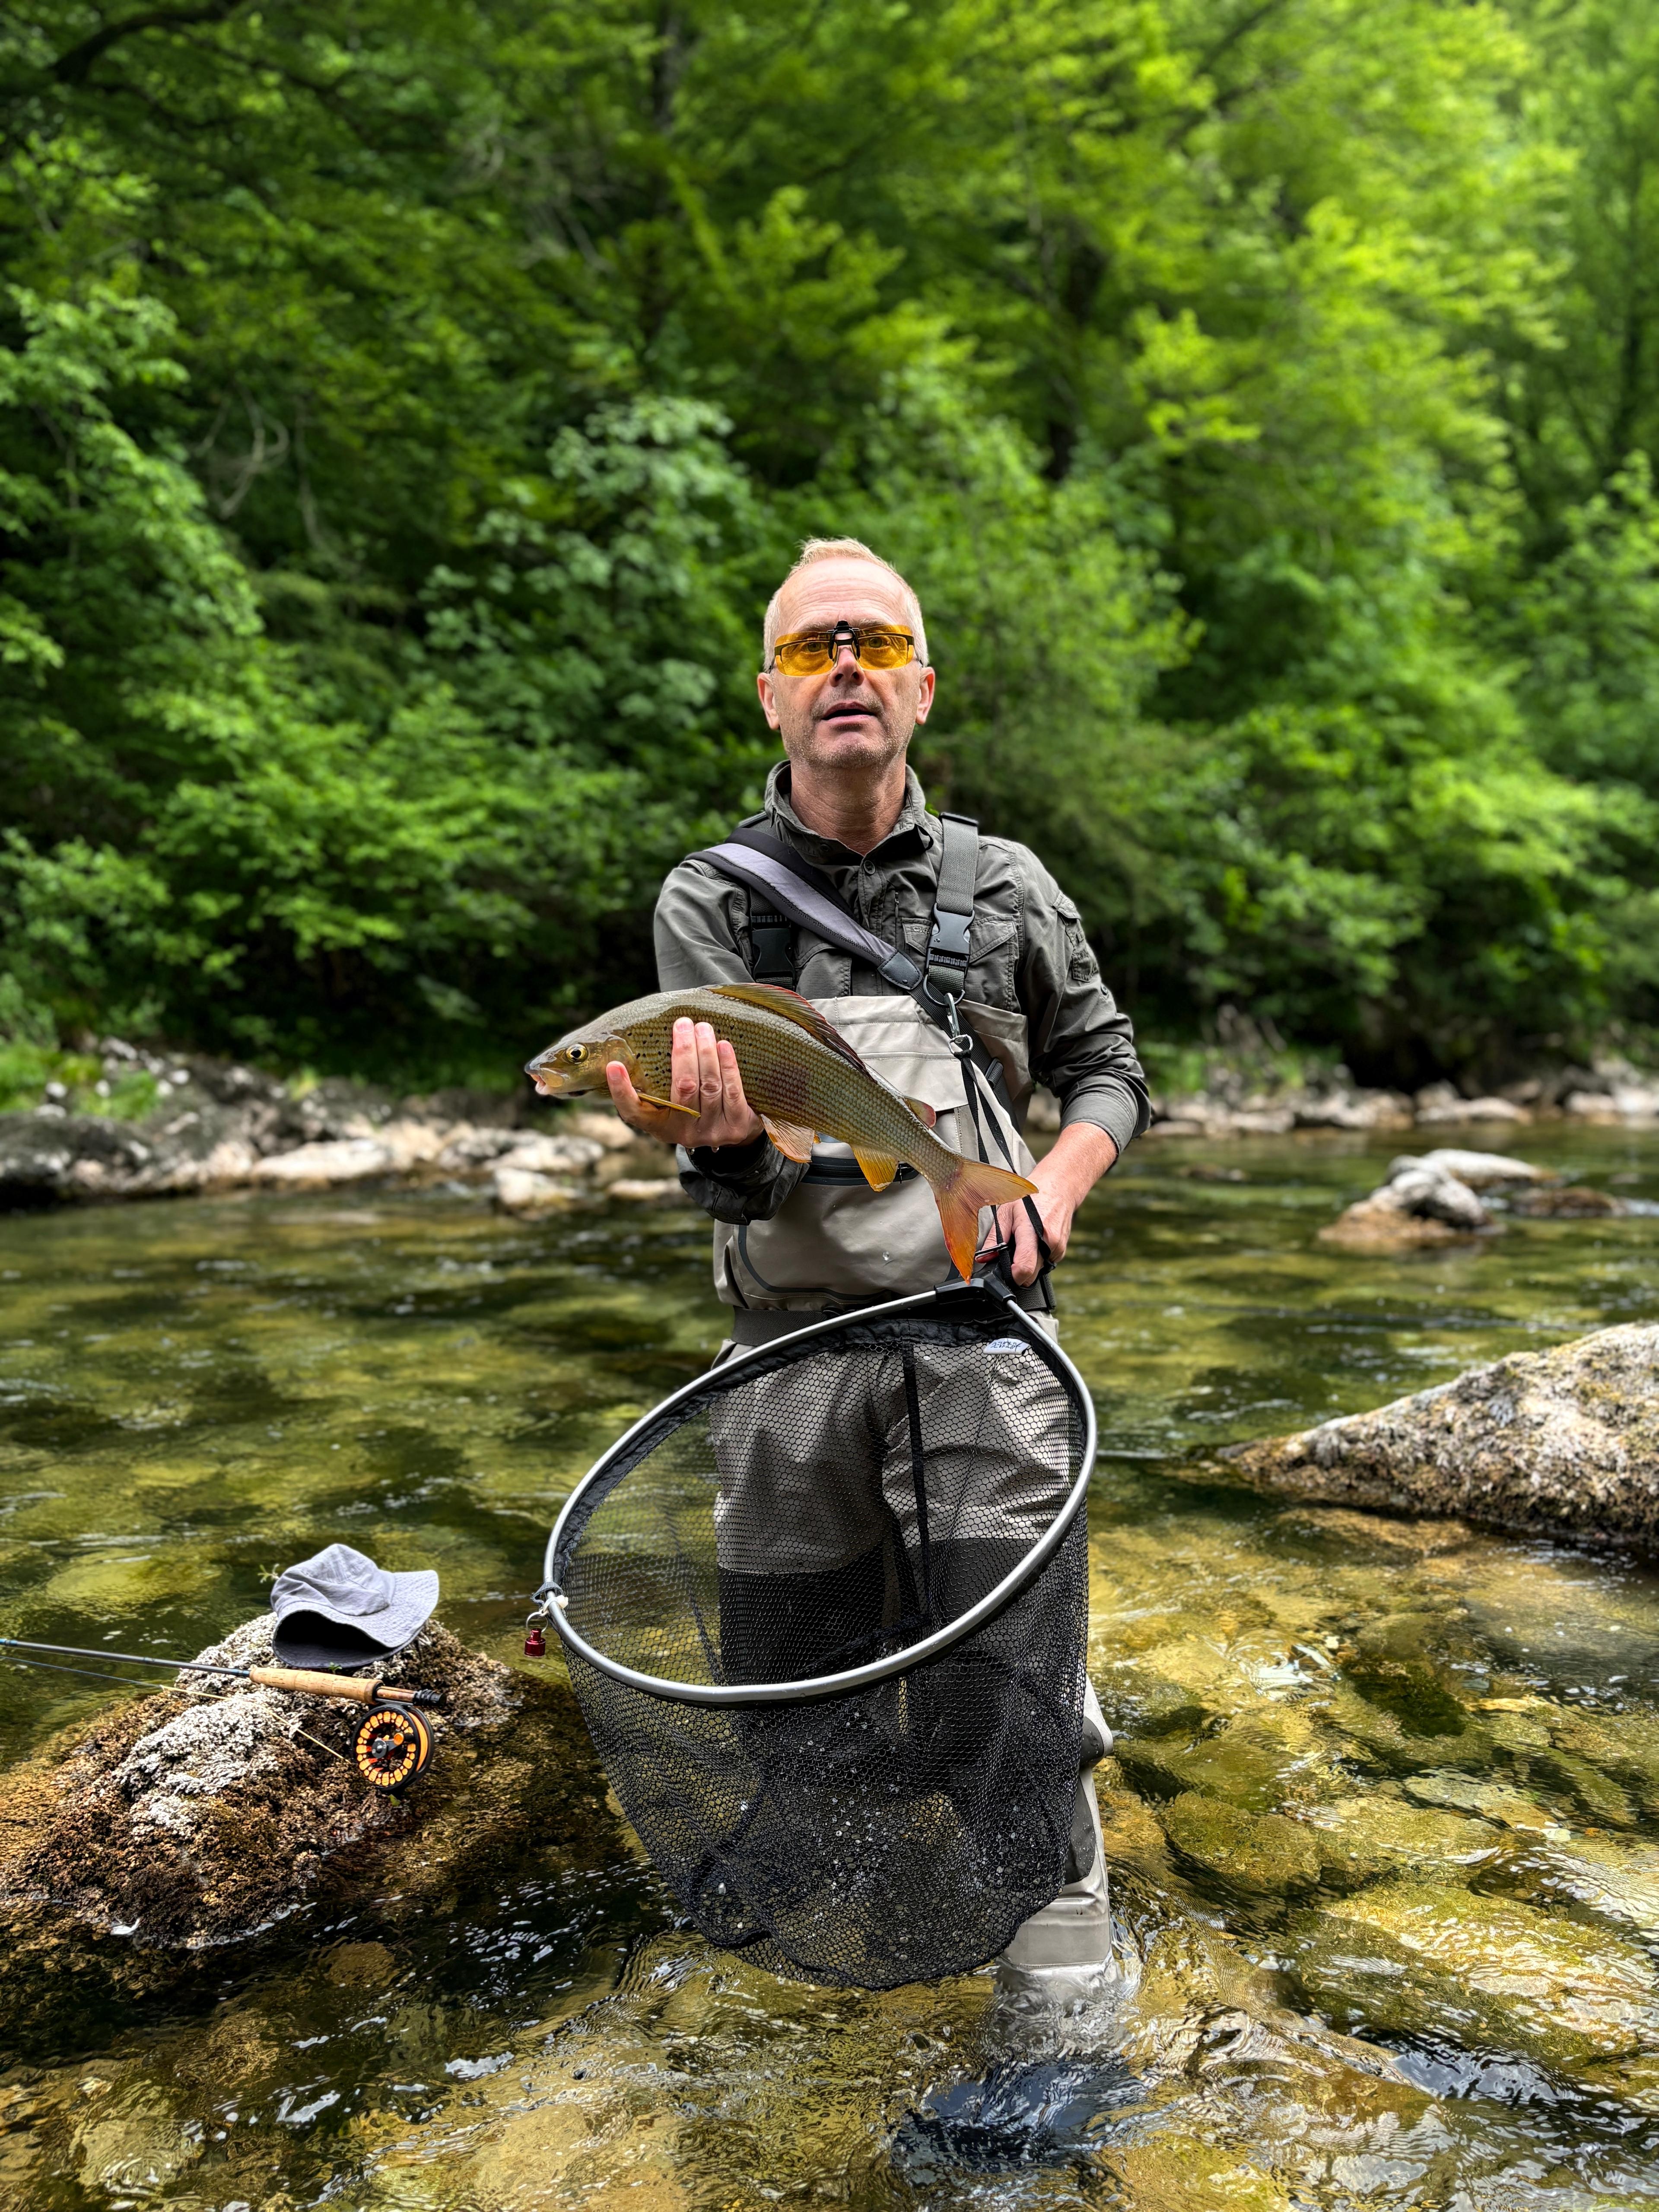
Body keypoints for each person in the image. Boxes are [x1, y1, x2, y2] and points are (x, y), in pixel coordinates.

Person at [606, 535, 1150, 2002]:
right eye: (809, 649)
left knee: (1008, 1689)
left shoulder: (1009, 885)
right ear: (771, 698)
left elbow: (1108, 1072)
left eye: (871, 642)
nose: (842, 667)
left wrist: (1057, 1183)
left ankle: (1064, 2006)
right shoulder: (714, 901)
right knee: (799, 1702)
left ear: (917, 683)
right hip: (784, 1362)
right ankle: (834, 1988)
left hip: (987, 1340)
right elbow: (739, 1181)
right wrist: (717, 1141)